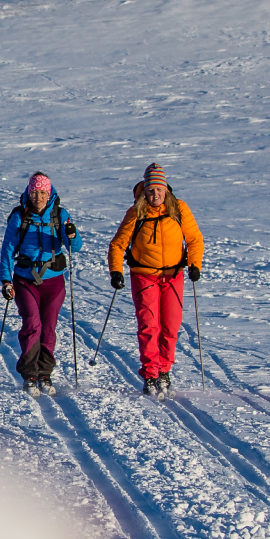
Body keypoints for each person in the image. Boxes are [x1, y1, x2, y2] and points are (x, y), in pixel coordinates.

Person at [106, 163, 203, 396]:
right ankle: (150, 374)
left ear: (166, 189)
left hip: (173, 276)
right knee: (149, 326)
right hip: (144, 275)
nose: (155, 194)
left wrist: (195, 265)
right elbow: (117, 244)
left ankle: (164, 370)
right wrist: (116, 271)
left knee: (170, 326)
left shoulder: (179, 208)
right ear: (145, 190)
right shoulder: (136, 212)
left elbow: (194, 239)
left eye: (159, 189)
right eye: (151, 190)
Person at [0, 171, 77, 393]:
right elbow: (7, 250)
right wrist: (6, 280)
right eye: (34, 192)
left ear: (49, 193)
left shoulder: (60, 215)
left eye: (42, 193)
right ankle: (30, 375)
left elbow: (76, 247)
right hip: (25, 280)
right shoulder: (19, 217)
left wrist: (72, 234)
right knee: (32, 324)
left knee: (48, 328)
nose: (38, 197)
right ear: (28, 193)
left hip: (54, 281)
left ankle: (45, 374)